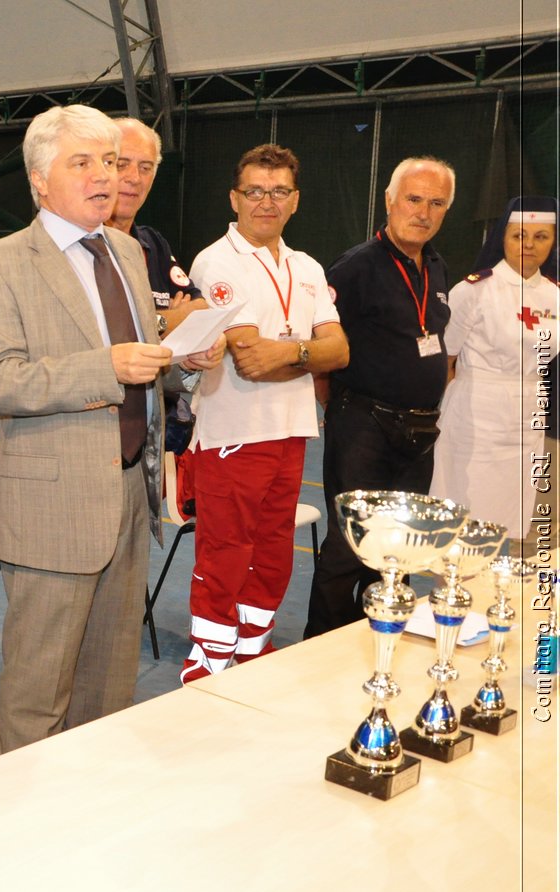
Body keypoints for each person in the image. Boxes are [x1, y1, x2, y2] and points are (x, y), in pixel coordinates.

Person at [0, 105, 223, 755]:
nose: (105, 176)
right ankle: (18, 832)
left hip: (130, 497)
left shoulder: (129, 252)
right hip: (54, 509)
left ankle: (86, 823)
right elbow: (0, 381)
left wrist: (179, 361)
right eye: (83, 162)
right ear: (39, 180)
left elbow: (139, 362)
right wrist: (105, 368)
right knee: (35, 696)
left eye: (110, 161)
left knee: (109, 693)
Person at [182, 144, 349, 681]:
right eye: (255, 191)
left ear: (295, 201)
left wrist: (290, 352)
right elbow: (251, 360)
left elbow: (340, 351)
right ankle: (206, 663)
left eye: (278, 192)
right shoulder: (217, 261)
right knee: (227, 549)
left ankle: (253, 650)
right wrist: (306, 350)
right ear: (235, 198)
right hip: (235, 429)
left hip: (292, 429)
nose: (266, 203)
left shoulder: (306, 266)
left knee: (274, 548)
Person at [305, 158, 455, 637]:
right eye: (414, 199)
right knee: (351, 544)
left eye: (437, 203)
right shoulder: (355, 268)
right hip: (363, 423)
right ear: (389, 201)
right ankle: (319, 644)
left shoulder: (435, 264)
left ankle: (384, 633)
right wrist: (341, 411)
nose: (424, 212)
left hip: (419, 429)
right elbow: (322, 346)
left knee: (401, 544)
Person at [431, 195, 560, 536]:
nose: (529, 245)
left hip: (528, 420)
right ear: (503, 236)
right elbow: (445, 360)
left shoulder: (555, 295)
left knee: (507, 525)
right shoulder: (473, 291)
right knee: (462, 521)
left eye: (541, 236)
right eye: (519, 235)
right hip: (473, 419)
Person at [109, 117, 208, 455]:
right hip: (98, 431)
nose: (134, 178)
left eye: (146, 167)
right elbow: (109, 336)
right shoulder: (79, 248)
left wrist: (150, 322)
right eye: (122, 164)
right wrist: (166, 320)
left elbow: (200, 309)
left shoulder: (153, 243)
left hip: (155, 430)